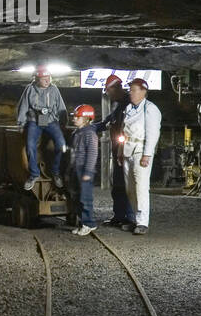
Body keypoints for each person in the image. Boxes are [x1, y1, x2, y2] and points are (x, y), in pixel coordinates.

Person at [16, 65, 67, 190]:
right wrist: (21, 123)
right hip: (34, 121)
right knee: (30, 146)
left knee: (62, 145)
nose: (47, 81)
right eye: (44, 78)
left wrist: (64, 123)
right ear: (37, 79)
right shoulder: (30, 89)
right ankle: (34, 174)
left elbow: (61, 107)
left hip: (50, 121)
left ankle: (55, 172)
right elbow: (23, 106)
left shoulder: (54, 89)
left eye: (48, 78)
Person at [121, 77, 161, 235]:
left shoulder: (150, 109)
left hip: (140, 151)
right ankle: (135, 220)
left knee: (141, 187)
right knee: (130, 188)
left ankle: (143, 222)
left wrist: (147, 154)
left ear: (143, 91)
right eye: (130, 89)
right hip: (127, 150)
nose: (130, 92)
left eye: (133, 90)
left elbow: (153, 133)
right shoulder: (129, 108)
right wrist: (120, 152)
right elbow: (123, 131)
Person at [92, 74, 133, 227]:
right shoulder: (118, 106)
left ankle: (130, 218)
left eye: (108, 91)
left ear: (116, 88)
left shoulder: (130, 104)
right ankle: (119, 216)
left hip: (128, 151)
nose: (107, 94)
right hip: (117, 151)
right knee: (117, 185)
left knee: (127, 185)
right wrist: (90, 128)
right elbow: (107, 121)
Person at [68, 104, 99, 236]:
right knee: (77, 197)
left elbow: (92, 153)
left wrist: (88, 172)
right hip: (76, 168)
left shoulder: (89, 134)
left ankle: (89, 224)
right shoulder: (77, 133)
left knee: (85, 198)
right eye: (74, 116)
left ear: (86, 119)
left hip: (84, 170)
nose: (74, 119)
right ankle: (82, 223)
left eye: (78, 117)